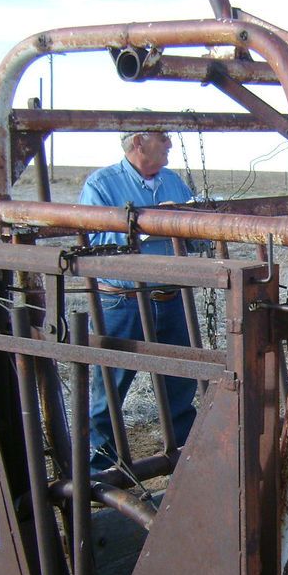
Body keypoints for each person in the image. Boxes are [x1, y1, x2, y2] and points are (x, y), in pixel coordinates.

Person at [78, 128, 197, 476]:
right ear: (138, 141)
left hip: (171, 296)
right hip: (123, 300)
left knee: (182, 377)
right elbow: (91, 234)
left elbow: (193, 225)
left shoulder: (174, 182)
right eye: (163, 137)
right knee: (111, 385)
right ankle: (103, 467)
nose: (171, 143)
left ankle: (184, 455)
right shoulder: (101, 184)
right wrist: (146, 225)